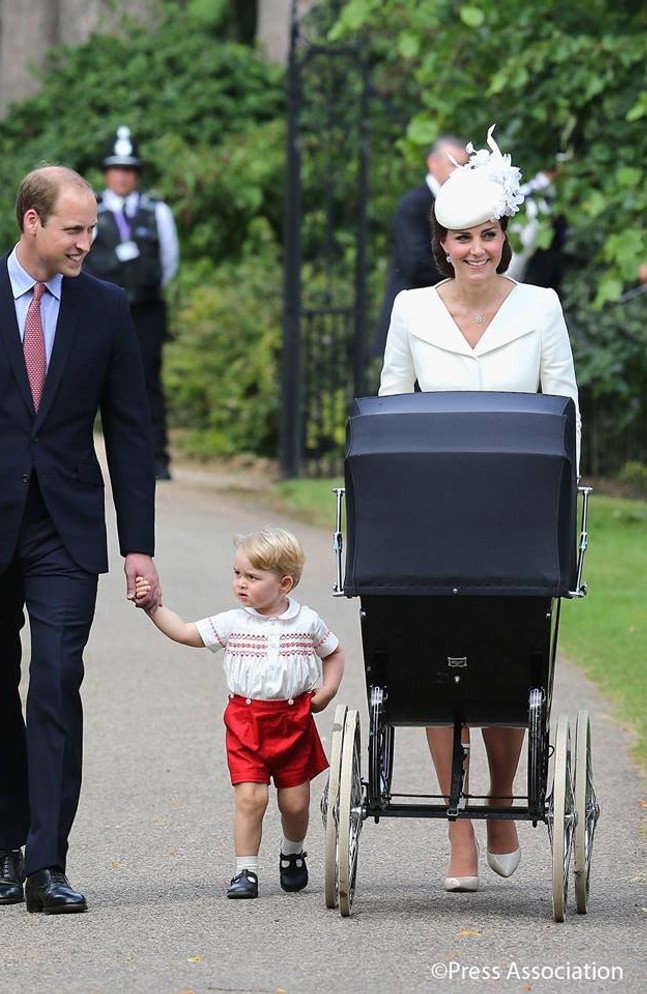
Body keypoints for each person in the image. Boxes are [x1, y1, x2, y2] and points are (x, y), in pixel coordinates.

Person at [0, 165, 161, 915]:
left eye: (89, 229)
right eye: (75, 230)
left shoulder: (106, 308)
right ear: (32, 222)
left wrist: (138, 545)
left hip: (65, 526)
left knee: (56, 679)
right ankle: (5, 848)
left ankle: (46, 864)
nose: (88, 242)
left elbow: (128, 430)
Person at [378, 125, 581, 893]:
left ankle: (499, 798)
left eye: (487, 235)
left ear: (503, 236)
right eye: (460, 238)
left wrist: (560, 510)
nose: (475, 250)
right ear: (442, 242)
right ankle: (457, 824)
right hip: (427, 520)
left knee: (504, 667)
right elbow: (391, 410)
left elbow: (563, 411)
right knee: (432, 671)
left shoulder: (540, 305)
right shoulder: (410, 311)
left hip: (516, 517)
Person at [135, 527, 345, 900]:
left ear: (284, 583)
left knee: (295, 803)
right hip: (246, 722)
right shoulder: (234, 622)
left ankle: (292, 852)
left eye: (252, 577)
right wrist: (153, 607)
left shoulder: (306, 622)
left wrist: (327, 691)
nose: (241, 584)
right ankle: (245, 870)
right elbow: (185, 632)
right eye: (237, 574)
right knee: (252, 798)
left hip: (293, 720)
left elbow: (334, 653)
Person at [83, 126, 179, 480]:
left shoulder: (157, 212)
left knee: (147, 383)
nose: (122, 176)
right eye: (116, 168)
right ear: (107, 172)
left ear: (137, 173)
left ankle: (157, 459)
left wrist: (144, 288)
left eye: (129, 169)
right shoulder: (92, 210)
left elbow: (169, 262)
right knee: (89, 382)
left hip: (145, 312)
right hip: (98, 312)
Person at [372, 134, 468, 356]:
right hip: (415, 318)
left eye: (465, 166)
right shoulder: (413, 205)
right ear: (432, 163)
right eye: (454, 164)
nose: (461, 172)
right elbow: (415, 264)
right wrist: (465, 273)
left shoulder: (462, 204)